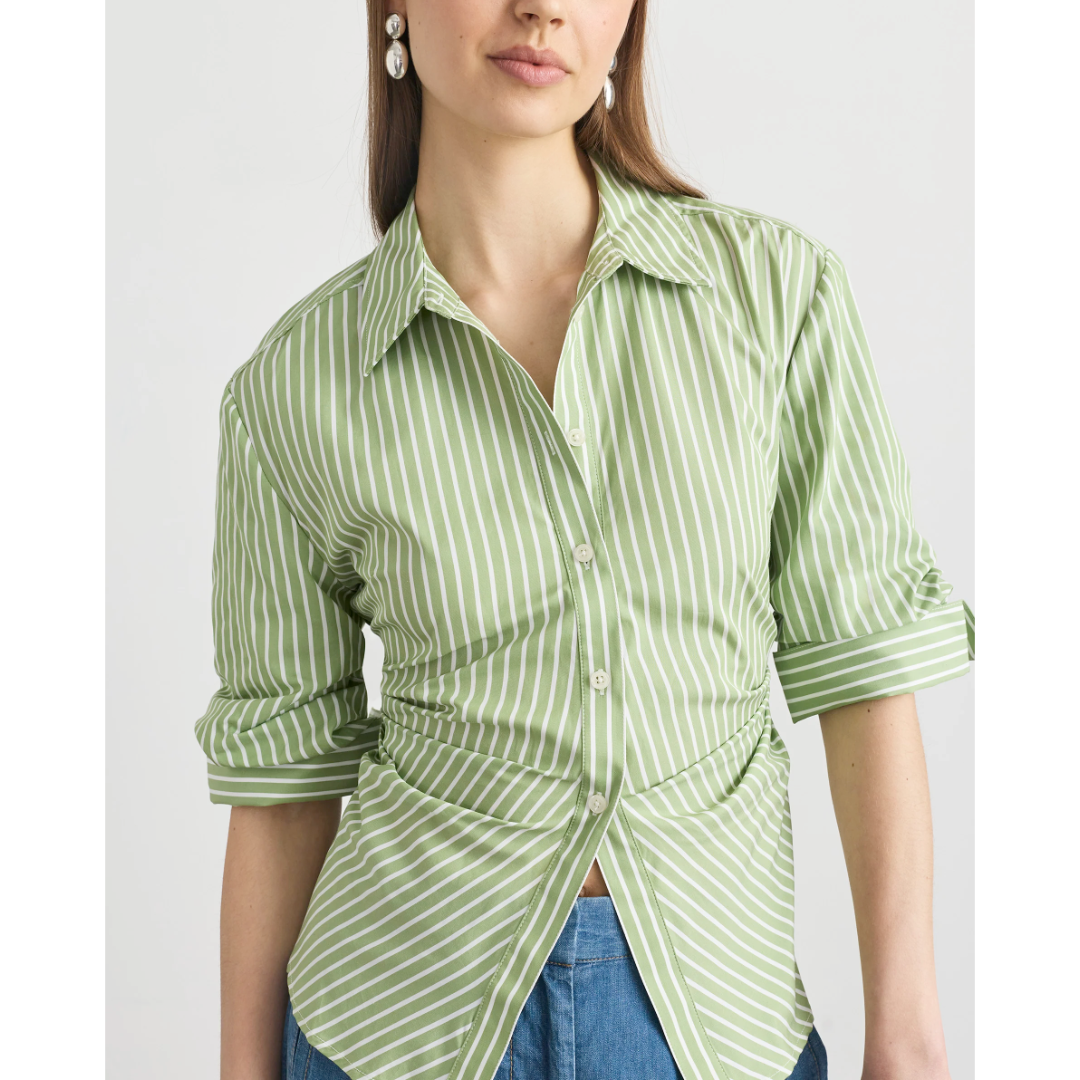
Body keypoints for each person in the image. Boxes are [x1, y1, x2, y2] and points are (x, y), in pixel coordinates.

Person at [195, 2, 974, 1079]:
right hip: (397, 1025)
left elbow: (865, 669)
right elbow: (282, 787)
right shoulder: (293, 387)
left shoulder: (775, 299)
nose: (543, 8)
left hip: (717, 1027)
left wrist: (910, 1035)